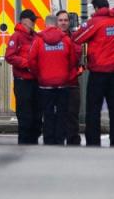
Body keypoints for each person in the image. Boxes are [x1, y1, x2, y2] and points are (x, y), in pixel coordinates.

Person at [74, 0, 114, 147]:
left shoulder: (95, 22)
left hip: (98, 74)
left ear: (95, 7)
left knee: (93, 111)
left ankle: (93, 143)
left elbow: (77, 37)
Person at [30, 15, 79, 145]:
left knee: (48, 114)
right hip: (63, 84)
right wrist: (66, 75)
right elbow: (73, 60)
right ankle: (59, 139)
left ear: (46, 25)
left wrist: (39, 75)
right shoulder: (66, 40)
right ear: (56, 24)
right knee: (62, 113)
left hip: (45, 84)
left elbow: (32, 61)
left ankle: (49, 139)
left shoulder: (38, 40)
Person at [5, 9, 41, 145]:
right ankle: (24, 143)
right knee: (25, 116)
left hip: (35, 81)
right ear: (25, 20)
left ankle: (33, 141)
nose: (34, 22)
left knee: (37, 116)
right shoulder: (17, 37)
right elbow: (9, 56)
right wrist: (27, 64)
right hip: (23, 82)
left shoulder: (36, 36)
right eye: (32, 20)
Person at [55, 10, 82, 145]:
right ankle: (58, 141)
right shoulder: (51, 38)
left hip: (71, 83)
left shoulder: (74, 38)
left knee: (72, 115)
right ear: (56, 22)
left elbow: (77, 55)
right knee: (57, 115)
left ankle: (73, 142)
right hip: (56, 85)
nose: (63, 23)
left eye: (65, 20)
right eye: (61, 20)